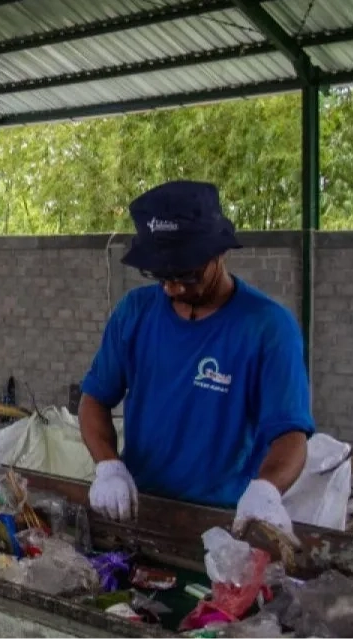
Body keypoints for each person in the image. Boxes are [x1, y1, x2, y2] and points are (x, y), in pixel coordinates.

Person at [78, 180, 314, 538]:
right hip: (140, 509)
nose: (173, 288)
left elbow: (290, 433)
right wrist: (108, 466)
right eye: (161, 276)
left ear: (219, 253)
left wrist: (266, 490)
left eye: (187, 275)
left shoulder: (267, 328)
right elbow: (94, 399)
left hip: (224, 522)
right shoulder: (134, 313)